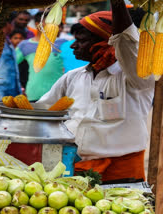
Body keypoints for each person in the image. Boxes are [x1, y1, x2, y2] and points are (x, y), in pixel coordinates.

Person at [37, 0, 155, 182]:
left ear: (107, 42)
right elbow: (43, 109)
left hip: (121, 170)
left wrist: (117, 3)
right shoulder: (73, 77)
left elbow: (126, 41)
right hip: (74, 165)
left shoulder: (136, 77)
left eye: (81, 41)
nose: (73, 46)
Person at [16, 12, 67, 102]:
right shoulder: (25, 45)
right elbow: (10, 65)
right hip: (33, 94)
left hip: (58, 96)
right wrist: (19, 87)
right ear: (38, 24)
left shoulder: (63, 44)